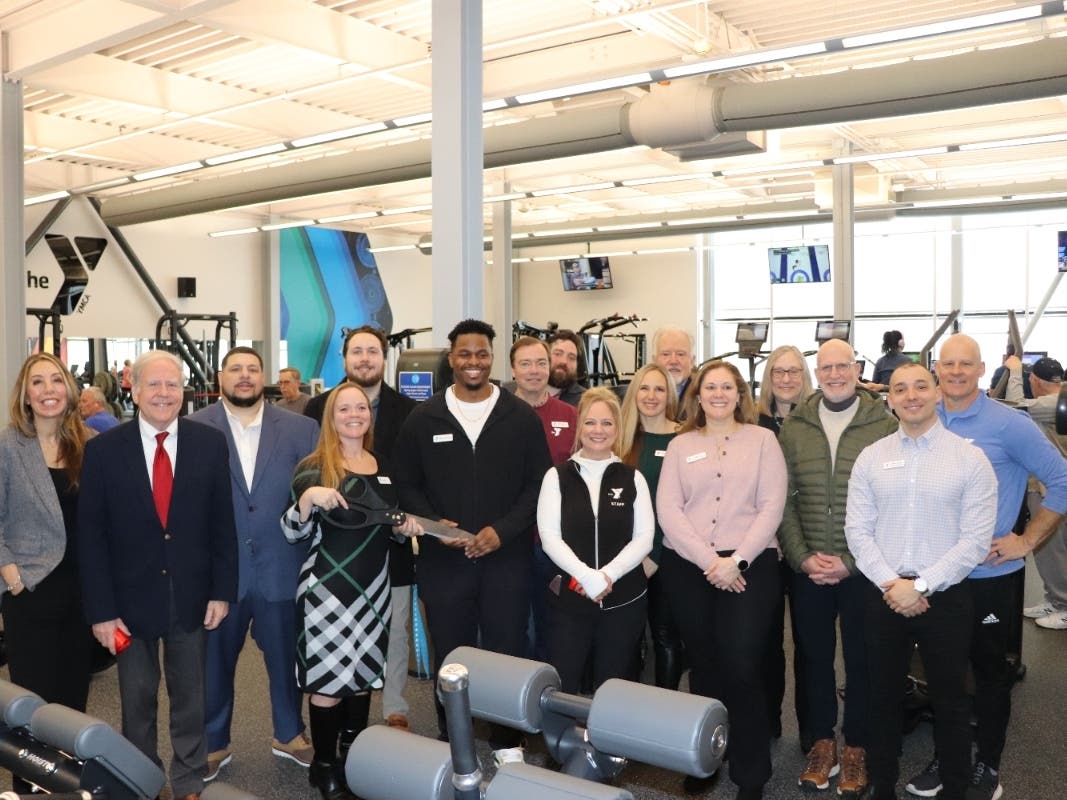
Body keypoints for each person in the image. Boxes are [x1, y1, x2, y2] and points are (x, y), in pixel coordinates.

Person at [904, 334, 1067, 800]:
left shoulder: (1007, 423)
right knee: (942, 671)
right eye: (948, 363)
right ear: (937, 367)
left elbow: (1061, 479)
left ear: (981, 369)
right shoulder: (921, 417)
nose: (956, 372)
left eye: (966, 364)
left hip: (989, 575)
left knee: (990, 673)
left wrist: (1027, 540)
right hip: (934, 576)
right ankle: (950, 755)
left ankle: (987, 766)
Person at [78, 350, 238, 800]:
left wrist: (222, 591)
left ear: (183, 391)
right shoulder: (103, 451)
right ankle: (141, 780)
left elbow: (222, 524)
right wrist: (102, 613)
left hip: (192, 595)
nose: (164, 394)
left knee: (191, 699)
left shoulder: (209, 444)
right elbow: (91, 539)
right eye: (154, 384)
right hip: (127, 606)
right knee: (137, 700)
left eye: (172, 385)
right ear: (133, 389)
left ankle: (188, 779)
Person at [393, 319, 551, 765]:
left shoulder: (519, 417)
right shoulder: (424, 418)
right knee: (453, 651)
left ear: (492, 357)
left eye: (481, 353)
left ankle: (507, 742)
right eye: (465, 354)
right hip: (446, 561)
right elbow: (407, 482)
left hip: (507, 557)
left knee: (506, 648)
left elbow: (538, 483)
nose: (474, 362)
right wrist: (434, 526)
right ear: (451, 357)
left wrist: (503, 530)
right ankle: (453, 738)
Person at [846, 363, 997, 800]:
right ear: (888, 399)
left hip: (945, 597)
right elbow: (858, 531)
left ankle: (955, 788)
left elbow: (975, 540)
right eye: (899, 389)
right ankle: (882, 787)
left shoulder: (969, 458)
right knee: (882, 698)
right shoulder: (871, 458)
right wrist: (893, 584)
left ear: (936, 394)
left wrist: (923, 585)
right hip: (883, 595)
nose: (910, 395)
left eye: (920, 386)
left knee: (951, 702)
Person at [282, 383, 420, 800]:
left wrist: (403, 529)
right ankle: (323, 768)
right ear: (331, 416)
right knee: (326, 684)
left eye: (361, 407)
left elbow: (389, 529)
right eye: (345, 408)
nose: (354, 414)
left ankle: (349, 761)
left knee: (361, 680)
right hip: (326, 591)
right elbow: (290, 531)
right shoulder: (314, 465)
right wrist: (307, 498)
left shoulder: (384, 465)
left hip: (374, 591)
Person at [189, 347, 320, 781]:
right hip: (219, 573)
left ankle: (290, 733)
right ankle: (214, 741)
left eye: (252, 369)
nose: (244, 377)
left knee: (287, 659)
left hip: (282, 565)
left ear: (264, 376)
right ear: (220, 376)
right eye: (235, 370)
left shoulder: (303, 429)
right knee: (214, 663)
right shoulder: (192, 428)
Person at [657, 360, 787, 800]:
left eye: (726, 387)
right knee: (705, 663)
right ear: (697, 395)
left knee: (742, 663)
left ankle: (752, 775)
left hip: (750, 567)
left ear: (739, 394)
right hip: (690, 567)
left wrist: (737, 562)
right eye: (709, 387)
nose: (717, 394)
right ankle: (706, 756)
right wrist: (711, 561)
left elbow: (772, 506)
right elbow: (669, 511)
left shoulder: (764, 440)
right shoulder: (681, 445)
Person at [777, 338, 898, 798]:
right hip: (808, 565)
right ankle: (822, 743)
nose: (834, 374)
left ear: (856, 368)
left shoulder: (883, 424)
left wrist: (850, 562)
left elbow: (891, 504)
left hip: (863, 568)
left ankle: (857, 748)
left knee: (862, 660)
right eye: (825, 367)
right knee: (814, 657)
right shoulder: (797, 425)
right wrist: (801, 555)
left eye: (842, 366)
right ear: (817, 371)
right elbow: (784, 500)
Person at [304, 325, 417, 731]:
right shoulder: (316, 408)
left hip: (390, 550)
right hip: (334, 558)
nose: (365, 358)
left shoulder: (410, 410)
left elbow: (411, 477)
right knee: (334, 651)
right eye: (357, 352)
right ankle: (332, 751)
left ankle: (394, 707)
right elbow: (306, 479)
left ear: (384, 358)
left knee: (393, 634)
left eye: (373, 351)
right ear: (344, 358)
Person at [0, 354, 94, 792]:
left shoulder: (90, 444)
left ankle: (65, 778)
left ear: (69, 390)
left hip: (83, 590)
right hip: (31, 589)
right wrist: (13, 577)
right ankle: (26, 783)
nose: (48, 389)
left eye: (56, 379)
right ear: (25, 394)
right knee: (31, 695)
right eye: (37, 382)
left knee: (74, 692)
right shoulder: (7, 446)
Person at [536, 388, 653, 693]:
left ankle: (606, 742)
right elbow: (550, 537)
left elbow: (644, 538)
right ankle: (563, 742)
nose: (598, 430)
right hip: (571, 600)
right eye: (590, 422)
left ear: (617, 428)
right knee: (565, 682)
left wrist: (607, 576)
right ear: (579, 427)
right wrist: (587, 577)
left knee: (614, 686)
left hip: (623, 599)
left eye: (606, 423)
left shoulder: (633, 478)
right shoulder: (556, 476)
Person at [755, 345, 814, 746]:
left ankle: (812, 731)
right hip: (765, 547)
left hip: (809, 544)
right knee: (766, 641)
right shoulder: (753, 423)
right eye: (779, 371)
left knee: (809, 643)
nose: (787, 378)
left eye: (794, 371)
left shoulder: (816, 419)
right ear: (768, 377)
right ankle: (769, 718)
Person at [509, 336, 578, 661]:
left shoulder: (571, 416)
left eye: (540, 363)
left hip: (555, 544)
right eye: (526, 364)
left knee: (554, 626)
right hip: (512, 541)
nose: (534, 371)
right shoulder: (499, 414)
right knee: (516, 627)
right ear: (512, 370)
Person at [617, 363, 683, 689]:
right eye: (644, 388)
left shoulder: (684, 437)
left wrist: (654, 553)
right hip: (625, 555)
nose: (651, 396)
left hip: (669, 554)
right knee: (626, 636)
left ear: (669, 394)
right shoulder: (619, 438)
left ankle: (664, 712)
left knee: (665, 636)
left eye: (659, 389)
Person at [1003, 354, 1067, 630]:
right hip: (1046, 483)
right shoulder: (1060, 396)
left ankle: (1063, 605)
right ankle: (1054, 598)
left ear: (1035, 380)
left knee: (1051, 547)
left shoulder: (1048, 403)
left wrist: (1015, 372)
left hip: (1050, 485)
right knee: (1050, 548)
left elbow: (1014, 405)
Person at [546, 329, 588, 406]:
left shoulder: (586, 401)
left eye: (571, 357)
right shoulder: (520, 392)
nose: (564, 361)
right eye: (558, 354)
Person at [652, 325, 696, 399]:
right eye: (666, 354)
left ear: (692, 361)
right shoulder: (641, 395)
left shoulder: (703, 396)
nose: (673, 361)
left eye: (680, 354)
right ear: (654, 361)